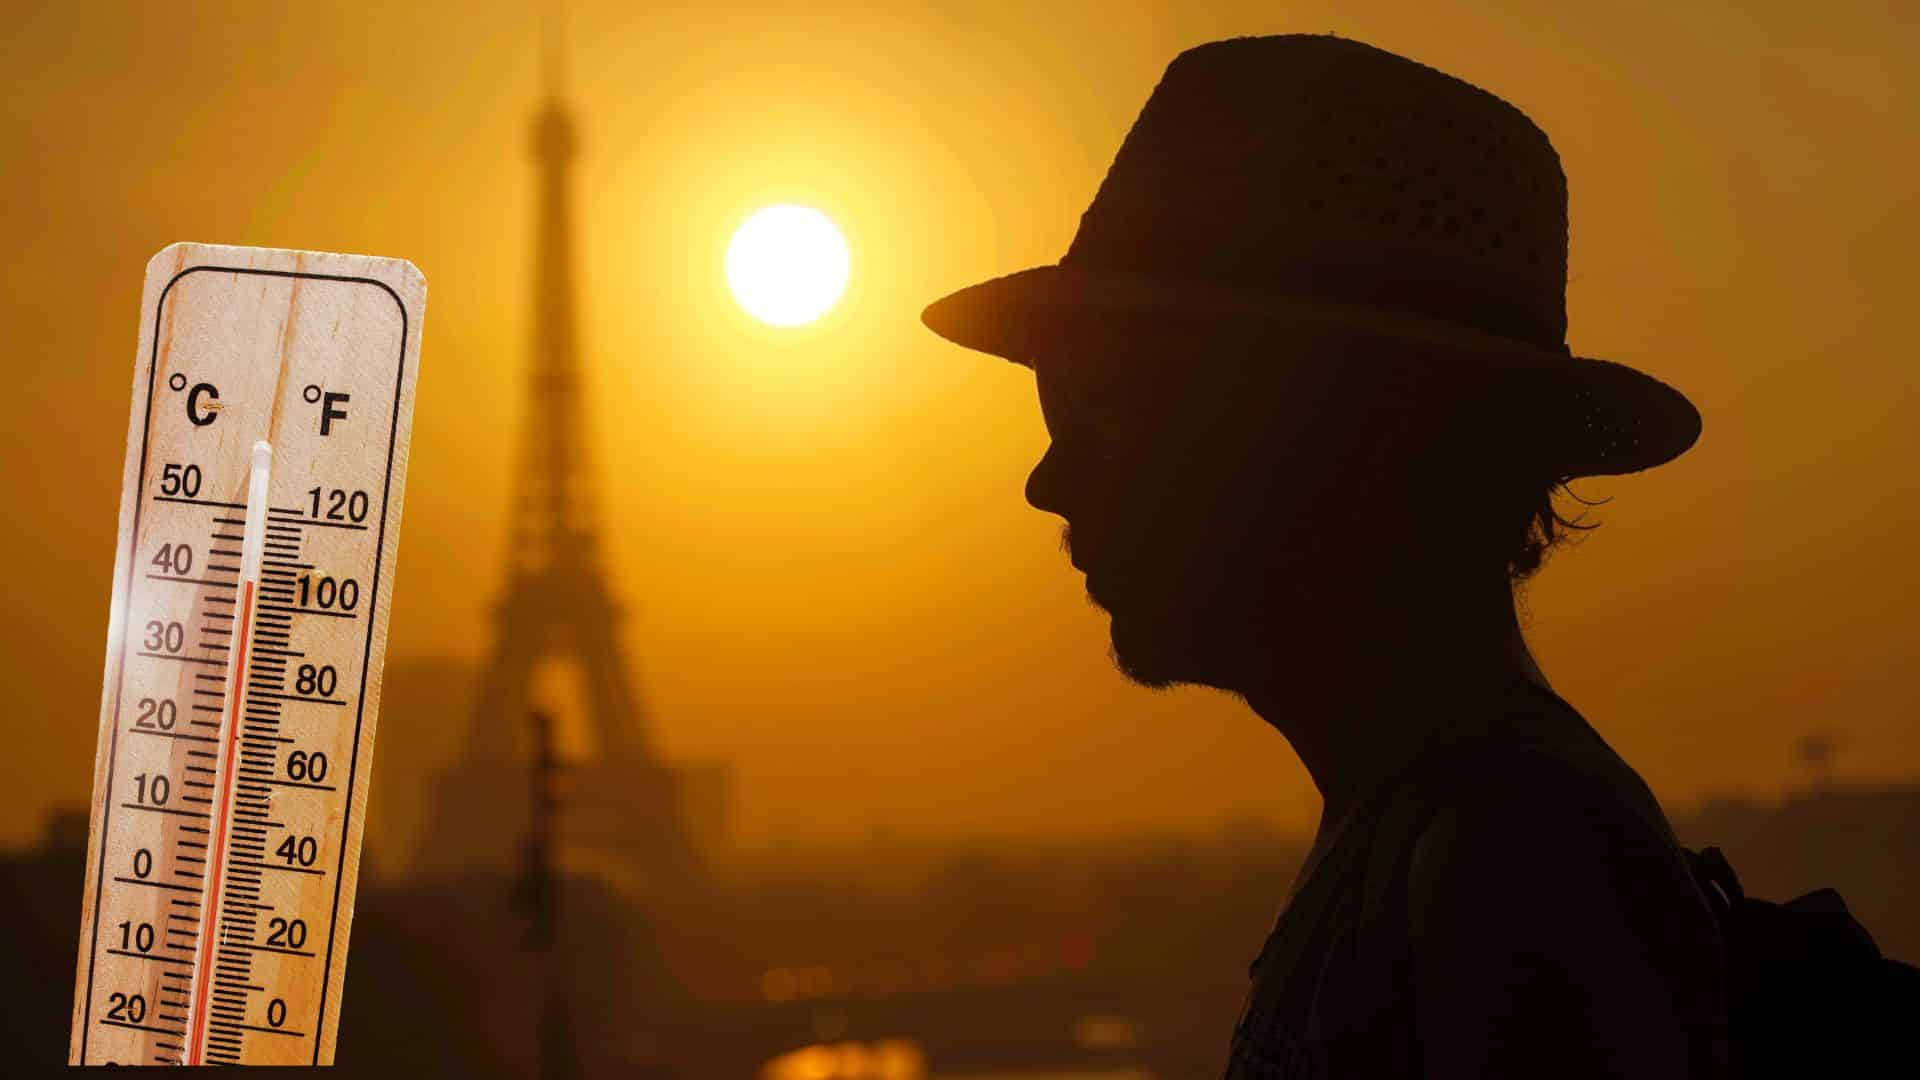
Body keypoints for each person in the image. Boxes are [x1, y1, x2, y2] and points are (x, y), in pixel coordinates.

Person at [919, 34, 1732, 1078]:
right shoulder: (1442, 832)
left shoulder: (1495, 863)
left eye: (1107, 422)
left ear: (1332, 440)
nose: (1051, 483)